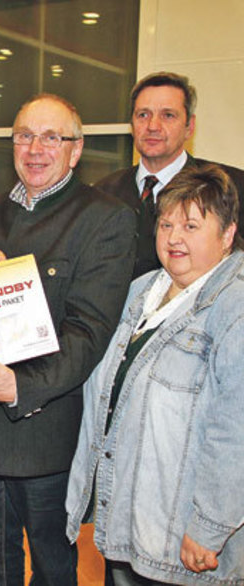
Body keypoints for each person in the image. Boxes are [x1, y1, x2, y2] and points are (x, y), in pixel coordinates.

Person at [0, 94, 136, 585]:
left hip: (43, 433)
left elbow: (89, 332)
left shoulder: (105, 218)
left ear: (76, 149)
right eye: (24, 135)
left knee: (52, 566)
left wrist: (20, 387)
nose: (35, 148)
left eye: (52, 137)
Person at [66, 164, 244, 585]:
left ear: (227, 235)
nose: (174, 237)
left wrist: (209, 528)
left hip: (186, 539)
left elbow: (236, 430)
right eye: (166, 224)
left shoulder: (234, 307)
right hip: (130, 525)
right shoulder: (141, 289)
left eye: (191, 225)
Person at [95, 71, 244, 278]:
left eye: (168, 115)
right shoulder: (103, 193)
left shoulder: (233, 187)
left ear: (189, 127)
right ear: (132, 125)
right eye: (143, 115)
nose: (153, 126)